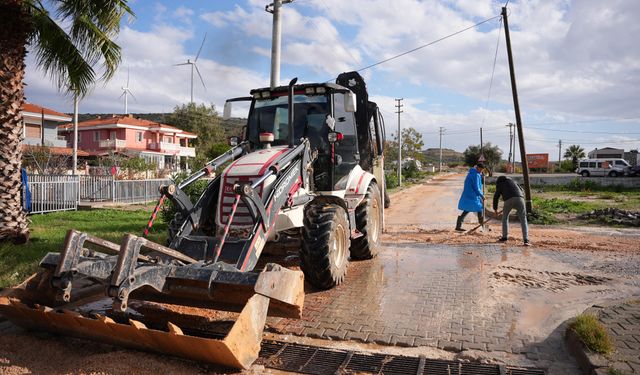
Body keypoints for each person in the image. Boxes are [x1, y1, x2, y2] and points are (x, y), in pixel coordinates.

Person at [493, 175, 530, 246]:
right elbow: (522, 191)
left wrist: (495, 210)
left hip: (508, 200)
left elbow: (496, 197)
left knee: (505, 218)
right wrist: (519, 198)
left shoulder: (500, 184)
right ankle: (526, 240)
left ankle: (504, 237)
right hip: (520, 198)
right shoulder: (514, 181)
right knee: (523, 219)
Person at [455, 163, 485, 231]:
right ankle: (483, 226)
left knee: (467, 209)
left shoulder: (471, 173)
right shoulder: (476, 175)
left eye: (482, 170)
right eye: (481, 169)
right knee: (479, 209)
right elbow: (477, 187)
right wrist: (481, 195)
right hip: (473, 195)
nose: (481, 171)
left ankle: (458, 226)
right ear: (477, 168)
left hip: (468, 194)